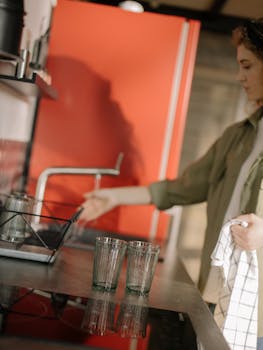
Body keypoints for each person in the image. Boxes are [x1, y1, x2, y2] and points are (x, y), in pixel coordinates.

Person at [79, 18, 263, 348]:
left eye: (247, 66)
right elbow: (184, 186)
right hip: (217, 296)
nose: (240, 77)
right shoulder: (238, 136)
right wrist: (114, 197)